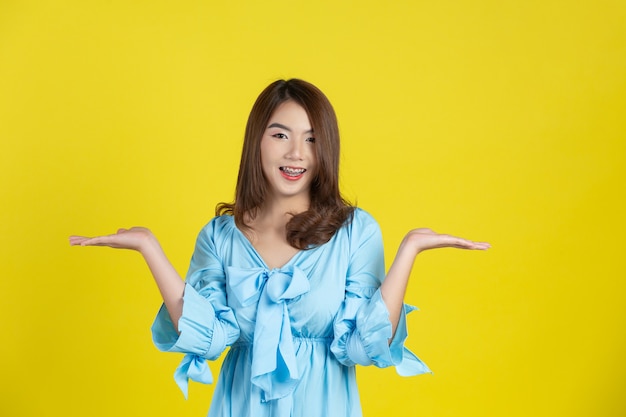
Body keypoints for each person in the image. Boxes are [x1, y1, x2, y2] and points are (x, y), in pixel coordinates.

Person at [69, 79, 490, 417]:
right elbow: (210, 340)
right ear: (257, 141)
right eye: (280, 134)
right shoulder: (219, 236)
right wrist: (148, 247)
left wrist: (410, 249)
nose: (295, 153)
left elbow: (364, 347)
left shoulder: (355, 232)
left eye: (311, 139)